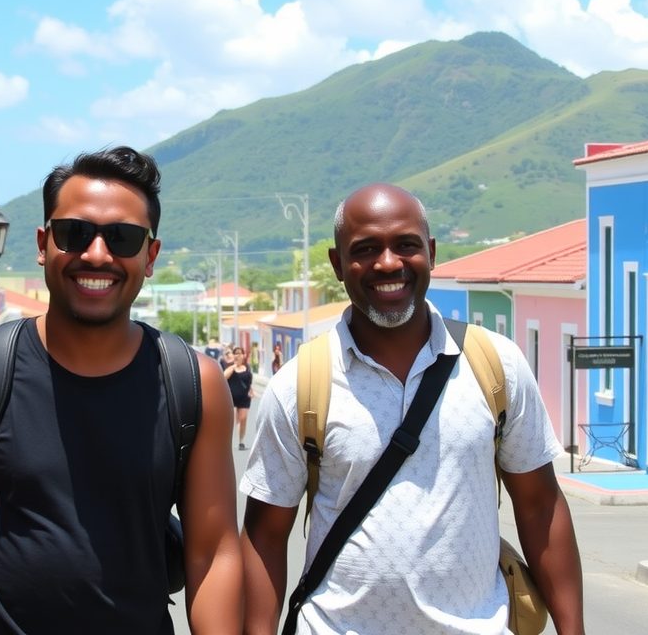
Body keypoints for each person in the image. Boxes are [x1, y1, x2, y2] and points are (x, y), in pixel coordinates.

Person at [240, 183, 586, 635]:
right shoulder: (299, 386)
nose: (388, 263)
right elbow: (264, 536)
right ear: (337, 264)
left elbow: (540, 507)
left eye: (406, 245)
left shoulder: (495, 366)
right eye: (365, 249)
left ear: (432, 252)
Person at [0, 146, 243, 634]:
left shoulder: (194, 385)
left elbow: (213, 551)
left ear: (150, 255)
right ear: (43, 243)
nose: (97, 254)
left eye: (122, 238)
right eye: (74, 233)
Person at [226, 346, 254, 450]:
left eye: (240, 353)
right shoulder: (230, 368)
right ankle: (230, 440)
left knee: (243, 419)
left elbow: (249, 381)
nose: (238, 355)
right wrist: (233, 367)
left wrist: (251, 390)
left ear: (243, 355)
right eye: (236, 353)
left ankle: (241, 441)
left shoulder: (247, 368)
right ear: (233, 355)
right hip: (232, 398)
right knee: (234, 420)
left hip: (245, 398)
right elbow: (223, 377)